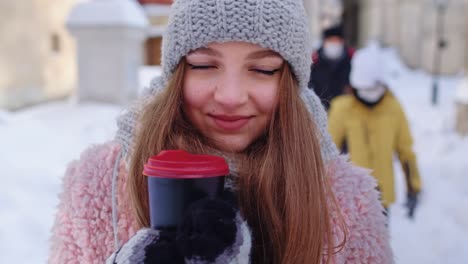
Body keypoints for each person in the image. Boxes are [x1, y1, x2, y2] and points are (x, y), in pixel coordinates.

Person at [49, 0, 393, 263]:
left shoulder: (348, 200)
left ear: (290, 81)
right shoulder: (98, 184)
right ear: (176, 73)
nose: (230, 96)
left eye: (262, 69)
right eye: (203, 64)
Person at [328, 43, 422, 217]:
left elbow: (406, 151)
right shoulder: (342, 108)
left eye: (374, 87)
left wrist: (413, 188)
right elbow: (327, 153)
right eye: (365, 88)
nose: (370, 93)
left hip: (381, 200)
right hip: (347, 201)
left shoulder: (393, 108)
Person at [308, 24, 354, 110]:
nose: (333, 44)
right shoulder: (314, 62)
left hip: (344, 114)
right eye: (330, 40)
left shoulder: (352, 61)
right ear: (324, 42)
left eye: (337, 41)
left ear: (342, 42)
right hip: (319, 111)